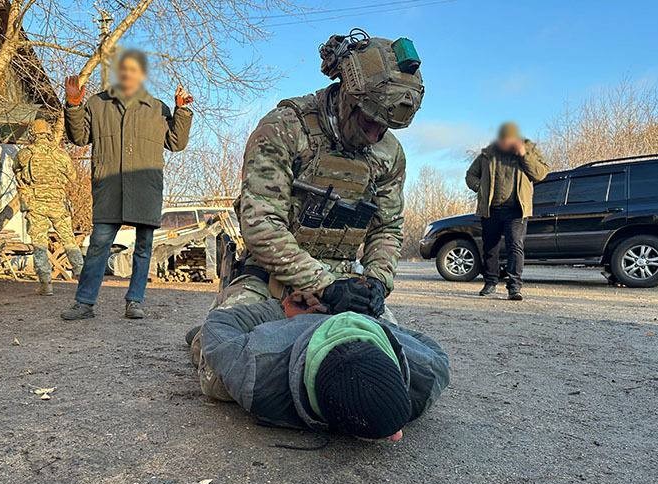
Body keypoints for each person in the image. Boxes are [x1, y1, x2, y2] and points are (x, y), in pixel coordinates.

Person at [190, 30, 425, 398]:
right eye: (368, 122)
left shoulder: (388, 154)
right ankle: (213, 328)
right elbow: (261, 224)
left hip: (347, 284)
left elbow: (388, 228)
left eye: (387, 127)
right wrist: (323, 286)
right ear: (348, 96)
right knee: (223, 380)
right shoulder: (284, 128)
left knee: (394, 377)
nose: (376, 135)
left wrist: (377, 282)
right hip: (270, 279)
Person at [195, 292, 450, 441]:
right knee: (214, 378)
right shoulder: (259, 373)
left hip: (351, 314)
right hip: (290, 324)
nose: (399, 436)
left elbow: (433, 348)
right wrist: (281, 309)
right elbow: (218, 324)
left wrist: (368, 317)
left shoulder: (427, 372)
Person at [60, 49, 193, 320]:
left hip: (145, 189)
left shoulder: (157, 108)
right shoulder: (97, 105)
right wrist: (74, 106)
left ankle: (135, 301)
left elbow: (176, 143)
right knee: (98, 246)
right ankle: (84, 303)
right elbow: (79, 138)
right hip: (110, 189)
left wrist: (182, 111)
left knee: (143, 248)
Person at [465, 122, 549, 300]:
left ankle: (514, 286)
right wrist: (480, 187)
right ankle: (490, 282)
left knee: (515, 246)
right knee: (490, 247)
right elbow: (470, 175)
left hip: (516, 210)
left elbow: (540, 174)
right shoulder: (487, 154)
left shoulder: (529, 150)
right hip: (491, 209)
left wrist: (524, 155)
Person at [13, 118, 83, 296]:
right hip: (58, 202)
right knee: (69, 240)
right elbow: (73, 177)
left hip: (35, 203)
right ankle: (83, 278)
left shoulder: (25, 153)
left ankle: (46, 284)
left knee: (40, 243)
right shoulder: (60, 154)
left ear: (32, 134)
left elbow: (16, 169)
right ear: (49, 133)